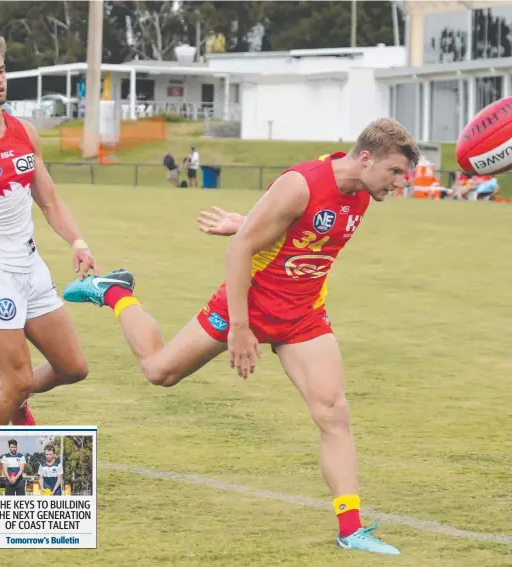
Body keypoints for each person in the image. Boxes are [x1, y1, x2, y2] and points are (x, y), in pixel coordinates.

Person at [63, 118, 420, 555]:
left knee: (333, 413)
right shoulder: (302, 182)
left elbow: (289, 230)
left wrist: (247, 222)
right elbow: (240, 251)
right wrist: (240, 326)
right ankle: (115, 292)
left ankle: (351, 529)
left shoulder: (363, 191)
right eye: (395, 172)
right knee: (159, 372)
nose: (398, 184)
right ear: (366, 158)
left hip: (303, 316)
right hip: (248, 304)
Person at [0, 34, 98, 501]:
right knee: (17, 379)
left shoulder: (23, 131)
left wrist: (76, 240)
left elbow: (49, 197)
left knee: (73, 366)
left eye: (0, 71)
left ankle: (4, 396)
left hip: (31, 268)